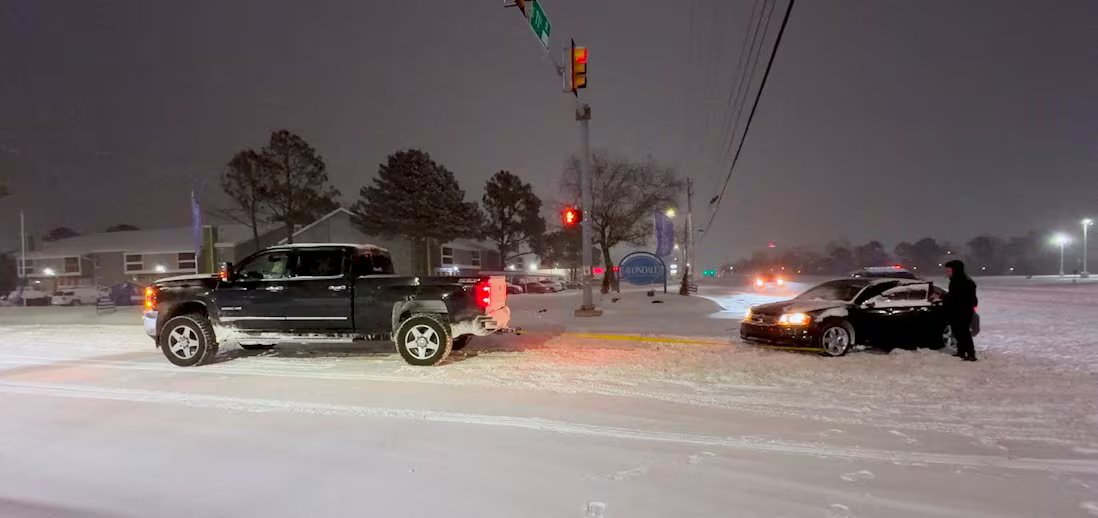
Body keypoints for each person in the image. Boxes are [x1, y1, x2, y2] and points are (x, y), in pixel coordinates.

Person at [943, 259, 978, 361]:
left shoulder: (963, 282)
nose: (947, 273)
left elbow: (957, 298)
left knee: (964, 332)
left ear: (956, 270)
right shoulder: (955, 281)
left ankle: (971, 353)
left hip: (963, 311)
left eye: (949, 271)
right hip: (957, 310)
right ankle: (961, 351)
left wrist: (943, 296)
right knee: (957, 332)